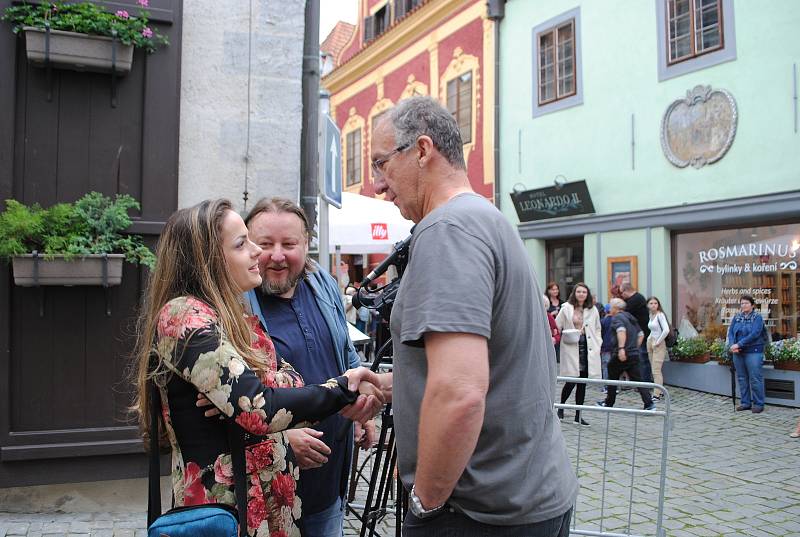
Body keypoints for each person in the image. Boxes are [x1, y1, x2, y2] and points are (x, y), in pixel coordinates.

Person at [371, 96, 577, 535]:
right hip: (527, 497)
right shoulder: (486, 219)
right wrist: (397, 386)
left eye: (381, 164)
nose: (377, 184)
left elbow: (460, 392)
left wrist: (424, 503)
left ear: (423, 150)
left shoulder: (447, 230)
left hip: (480, 514)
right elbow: (496, 364)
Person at [132, 199, 382, 536]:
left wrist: (249, 393)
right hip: (224, 514)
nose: (257, 253)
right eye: (243, 243)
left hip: (269, 506)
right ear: (208, 259)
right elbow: (260, 408)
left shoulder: (235, 316)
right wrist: (342, 387)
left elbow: (284, 382)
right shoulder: (185, 317)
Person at [243, 197, 377, 536]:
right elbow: (223, 402)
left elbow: (344, 355)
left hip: (329, 489)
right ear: (247, 245)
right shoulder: (234, 301)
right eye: (264, 244)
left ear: (306, 245)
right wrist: (281, 442)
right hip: (267, 498)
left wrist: (359, 409)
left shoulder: (324, 286)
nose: (276, 256)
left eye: (289, 244)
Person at [555, 283, 602, 426]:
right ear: (574, 293)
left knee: (582, 382)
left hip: (588, 349)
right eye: (579, 291)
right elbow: (557, 326)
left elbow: (598, 328)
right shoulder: (566, 309)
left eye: (584, 292)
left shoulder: (592, 310)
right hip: (571, 348)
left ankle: (578, 414)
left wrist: (598, 342)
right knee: (571, 381)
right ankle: (561, 408)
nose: (581, 294)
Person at [597, 298, 655, 410]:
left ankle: (609, 402)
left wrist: (622, 348)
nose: (610, 308)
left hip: (622, 353)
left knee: (612, 374)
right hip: (633, 353)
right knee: (638, 379)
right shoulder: (630, 317)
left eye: (611, 306)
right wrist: (634, 347)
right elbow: (641, 334)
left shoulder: (617, 318)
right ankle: (649, 403)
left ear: (615, 308)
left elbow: (621, 330)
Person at [727, 294, 767, 413]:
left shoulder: (757, 317)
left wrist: (739, 344)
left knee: (755, 378)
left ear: (752, 305)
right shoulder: (737, 316)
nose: (743, 305)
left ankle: (759, 404)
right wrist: (732, 345)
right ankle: (745, 403)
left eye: (746, 303)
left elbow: (755, 334)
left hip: (753, 351)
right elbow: (731, 332)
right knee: (742, 378)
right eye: (742, 303)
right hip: (738, 352)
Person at [620, 282, 653, 384]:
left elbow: (625, 313)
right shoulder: (636, 298)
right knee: (641, 358)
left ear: (626, 291)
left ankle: (644, 382)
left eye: (622, 292)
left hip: (642, 334)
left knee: (643, 358)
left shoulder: (636, 299)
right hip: (640, 333)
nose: (622, 295)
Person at [646, 296, 670, 401]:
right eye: (651, 303)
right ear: (648, 305)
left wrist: (658, 341)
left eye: (655, 303)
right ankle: (658, 391)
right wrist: (650, 339)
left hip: (658, 344)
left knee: (656, 370)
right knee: (653, 368)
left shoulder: (660, 315)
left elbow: (666, 330)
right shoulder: (651, 315)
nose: (653, 305)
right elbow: (652, 329)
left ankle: (657, 393)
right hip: (651, 342)